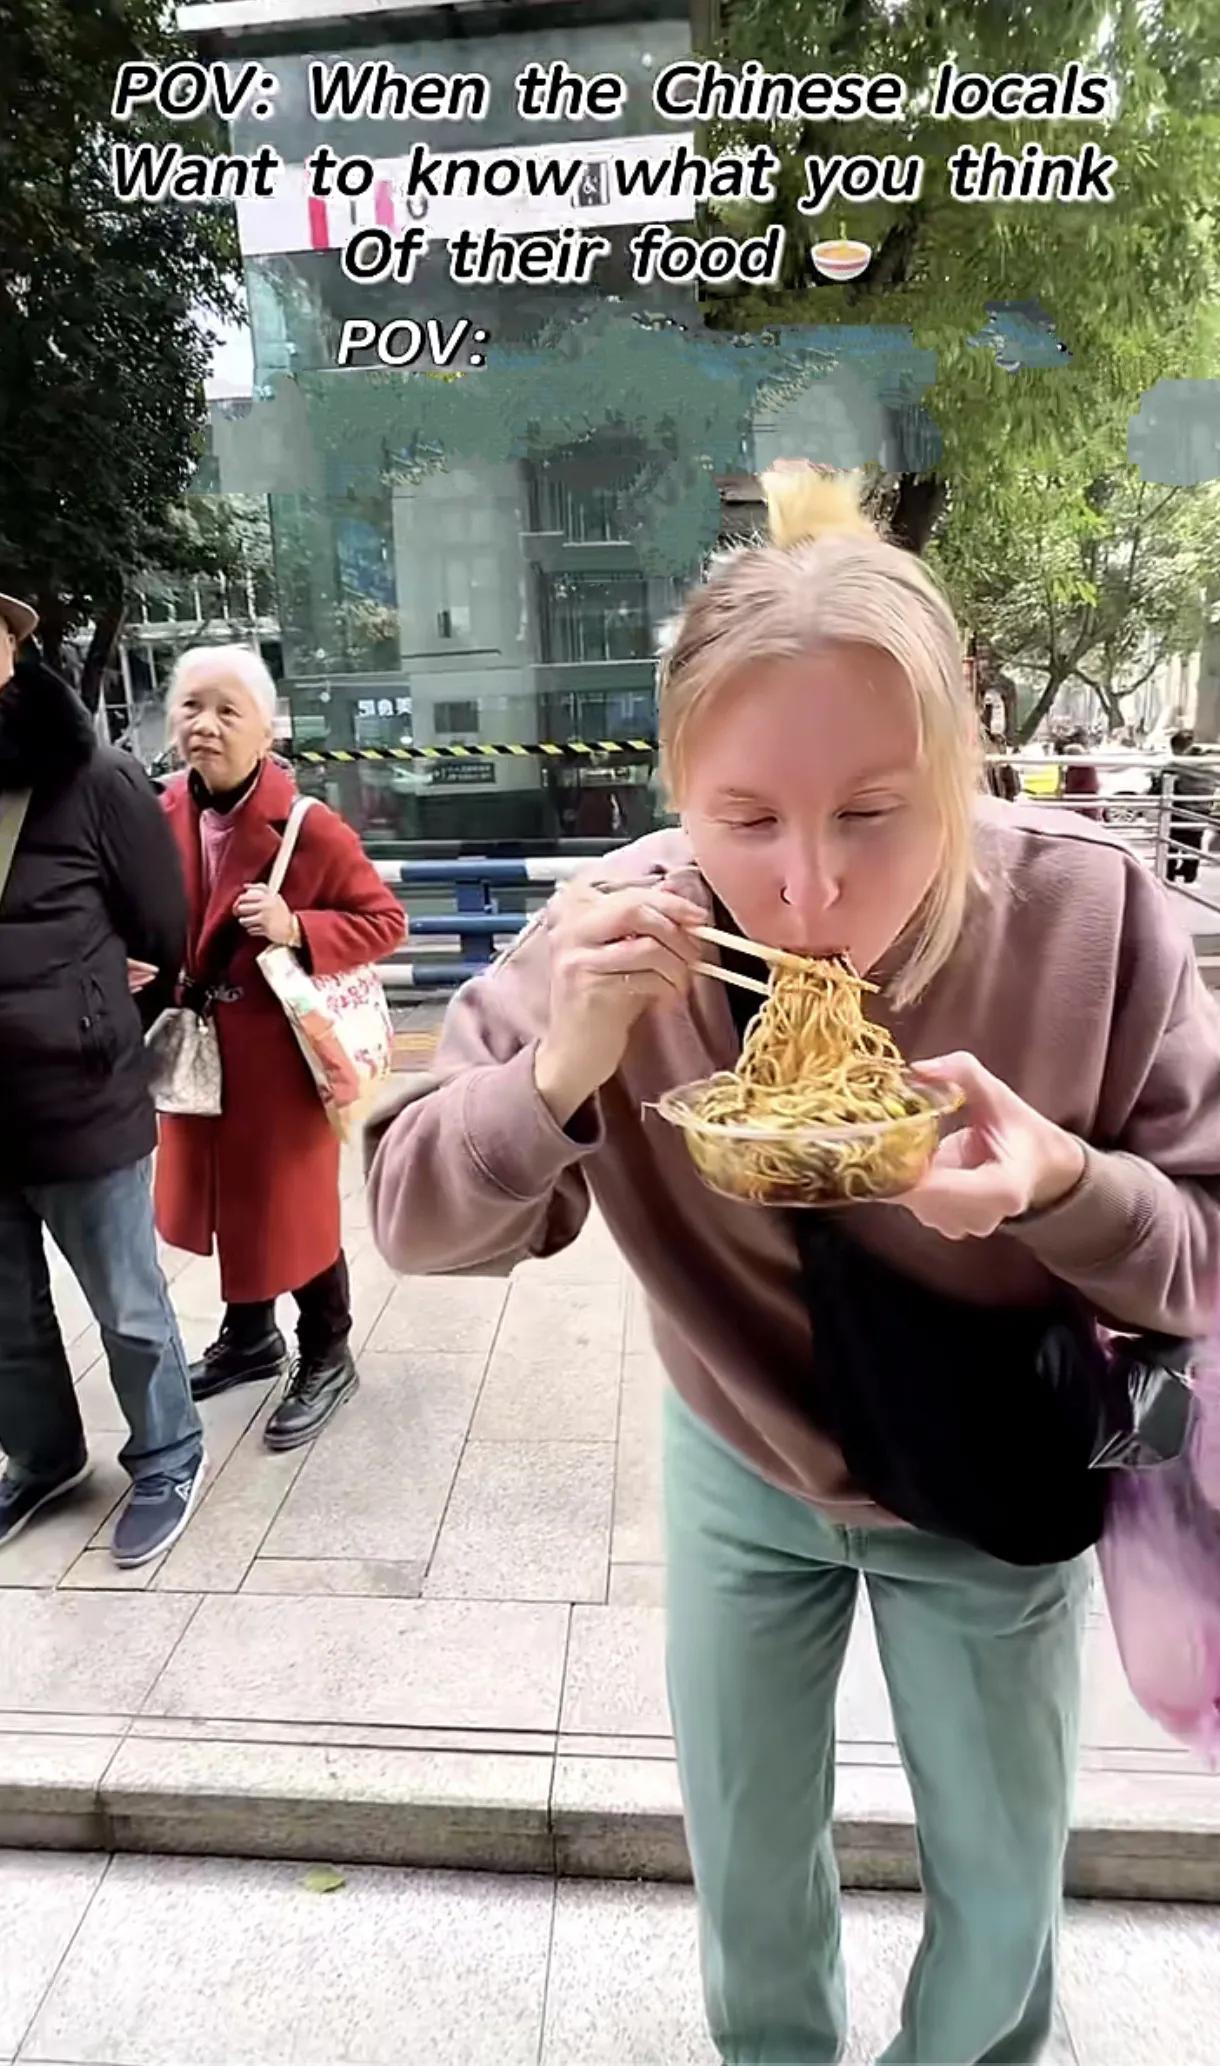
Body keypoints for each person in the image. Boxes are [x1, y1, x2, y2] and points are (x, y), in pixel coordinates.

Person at [364, 467, 1220, 2066]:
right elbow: (410, 1216)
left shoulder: (1091, 919)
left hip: (986, 1470)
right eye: (746, 818)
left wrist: (1066, 1190)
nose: (809, 889)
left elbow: (1204, 1249)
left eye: (876, 811)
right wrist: (558, 1073)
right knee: (750, 1863)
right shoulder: (619, 934)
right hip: (736, 1452)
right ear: (679, 787)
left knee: (1005, 1883)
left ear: (964, 774)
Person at [155, 646, 405, 1449]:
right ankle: (250, 1337)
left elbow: (385, 923)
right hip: (199, 1052)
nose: (206, 725)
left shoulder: (309, 826)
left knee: (288, 1209)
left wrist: (299, 928)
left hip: (280, 1063)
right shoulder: (160, 813)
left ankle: (327, 1349)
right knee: (228, 1199)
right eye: (192, 706)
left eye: (229, 711)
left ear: (267, 727)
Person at [0, 595, 205, 1565]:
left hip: (77, 1086)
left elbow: (162, 925)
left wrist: (97, 995)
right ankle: (43, 1458)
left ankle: (167, 1449)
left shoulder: (93, 774)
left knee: (125, 1301)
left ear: (11, 643)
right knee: (4, 1315)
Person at [1158, 728, 1215, 885]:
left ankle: (1169, 874)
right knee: (1193, 843)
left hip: (1182, 809)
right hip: (1202, 810)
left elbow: (1165, 777)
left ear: (1177, 748)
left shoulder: (1180, 764)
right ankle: (1189, 873)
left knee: (1172, 843)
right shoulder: (1206, 761)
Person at [1060, 729, 1102, 819]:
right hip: (1085, 802)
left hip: (1081, 804)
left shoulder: (1079, 763)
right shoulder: (1086, 760)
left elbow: (1072, 786)